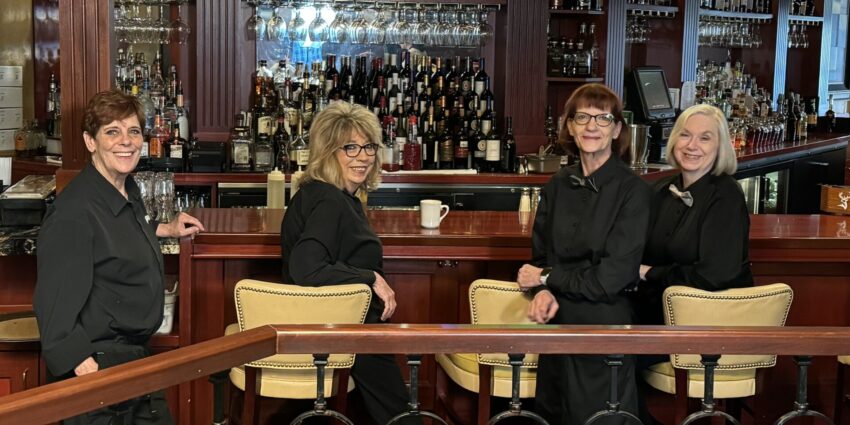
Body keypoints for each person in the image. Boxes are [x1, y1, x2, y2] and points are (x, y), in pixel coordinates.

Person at [34, 89, 204, 424]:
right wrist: (89, 371)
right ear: (90, 141)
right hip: (99, 369)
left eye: (133, 131)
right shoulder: (74, 214)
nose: (126, 141)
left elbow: (123, 228)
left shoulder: (125, 188)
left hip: (131, 359)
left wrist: (165, 228)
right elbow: (52, 309)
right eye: (112, 131)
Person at [516, 83, 651, 425]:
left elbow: (611, 279)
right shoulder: (558, 184)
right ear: (570, 127)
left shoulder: (633, 191)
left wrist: (547, 279)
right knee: (551, 415)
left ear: (616, 130)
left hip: (603, 326)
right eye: (582, 117)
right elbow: (541, 257)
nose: (592, 126)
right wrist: (543, 289)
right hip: (556, 322)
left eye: (602, 118)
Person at [280, 101, 418, 425]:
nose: (363, 157)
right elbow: (306, 267)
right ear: (328, 152)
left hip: (342, 326)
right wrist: (370, 277)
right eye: (350, 147)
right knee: (403, 418)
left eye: (369, 146)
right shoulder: (329, 200)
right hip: (344, 329)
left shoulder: (328, 195)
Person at [634, 104, 753, 326]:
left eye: (704, 138)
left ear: (720, 147)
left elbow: (714, 275)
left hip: (709, 322)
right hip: (657, 313)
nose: (691, 145)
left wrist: (649, 273)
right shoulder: (660, 189)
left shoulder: (726, 195)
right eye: (685, 135)